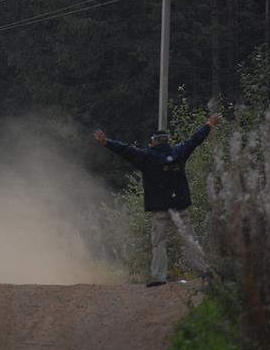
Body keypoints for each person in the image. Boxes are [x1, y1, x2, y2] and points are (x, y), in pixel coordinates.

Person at [94, 114, 222, 287]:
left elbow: (126, 150)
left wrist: (106, 142)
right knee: (190, 239)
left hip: (160, 209)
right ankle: (204, 273)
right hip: (180, 207)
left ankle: (159, 277)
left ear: (153, 142)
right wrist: (208, 124)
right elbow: (195, 140)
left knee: (159, 243)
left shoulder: (146, 157)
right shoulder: (179, 152)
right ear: (167, 141)